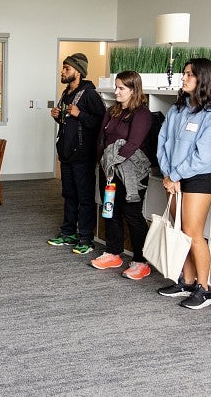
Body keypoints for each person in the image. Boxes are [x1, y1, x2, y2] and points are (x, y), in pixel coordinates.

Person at [156, 57, 211, 309]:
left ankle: (205, 289)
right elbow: (163, 142)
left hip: (198, 177)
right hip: (173, 178)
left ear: (204, 78)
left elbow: (205, 154)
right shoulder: (178, 108)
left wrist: (175, 175)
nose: (184, 78)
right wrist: (169, 175)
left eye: (190, 74)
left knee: (192, 233)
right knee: (181, 233)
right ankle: (187, 282)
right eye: (184, 73)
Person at [90, 71, 152, 279]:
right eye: (116, 87)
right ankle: (113, 252)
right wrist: (104, 163)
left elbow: (133, 144)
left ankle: (140, 261)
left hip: (130, 173)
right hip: (108, 170)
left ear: (134, 90)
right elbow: (101, 139)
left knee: (133, 215)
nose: (116, 92)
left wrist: (113, 163)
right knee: (111, 211)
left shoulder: (142, 114)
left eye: (121, 88)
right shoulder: (112, 111)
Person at [47, 53, 106, 254]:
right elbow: (69, 123)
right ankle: (68, 233)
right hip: (66, 154)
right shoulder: (66, 94)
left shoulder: (90, 94)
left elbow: (101, 123)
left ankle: (86, 238)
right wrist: (58, 117)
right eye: (63, 68)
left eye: (67, 68)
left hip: (83, 156)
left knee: (84, 197)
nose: (63, 72)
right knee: (69, 194)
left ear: (78, 72)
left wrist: (79, 114)